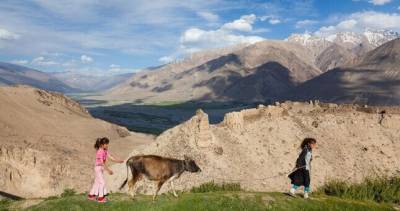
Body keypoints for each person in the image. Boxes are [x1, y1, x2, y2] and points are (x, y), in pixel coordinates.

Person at [88, 137, 124, 203]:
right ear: (102, 144)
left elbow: (110, 157)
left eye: (107, 144)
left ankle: (91, 196)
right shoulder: (100, 152)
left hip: (100, 168)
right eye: (106, 144)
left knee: (97, 183)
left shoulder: (105, 151)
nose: (107, 145)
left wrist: (118, 161)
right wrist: (108, 170)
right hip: (98, 168)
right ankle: (100, 199)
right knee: (102, 183)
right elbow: (101, 162)